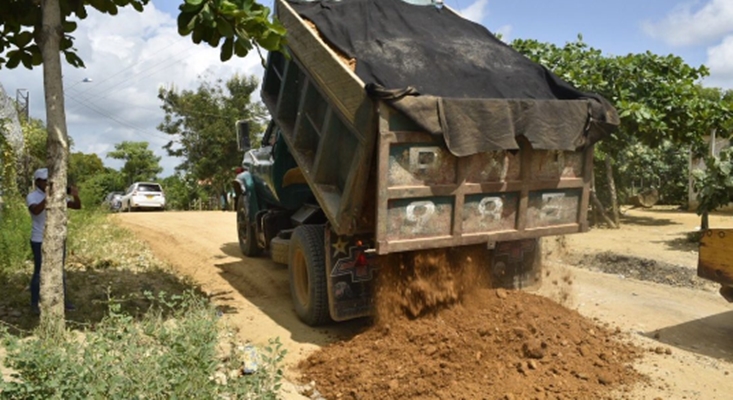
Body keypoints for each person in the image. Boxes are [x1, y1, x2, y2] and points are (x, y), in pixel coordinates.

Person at [27, 168, 82, 315]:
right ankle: (34, 303)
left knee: (59, 270)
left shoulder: (59, 196)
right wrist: (49, 196)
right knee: (39, 271)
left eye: (50, 180)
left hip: (57, 238)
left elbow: (77, 206)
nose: (48, 183)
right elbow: (36, 210)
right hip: (39, 239)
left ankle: (62, 302)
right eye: (45, 180)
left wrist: (75, 196)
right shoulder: (32, 196)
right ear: (38, 181)